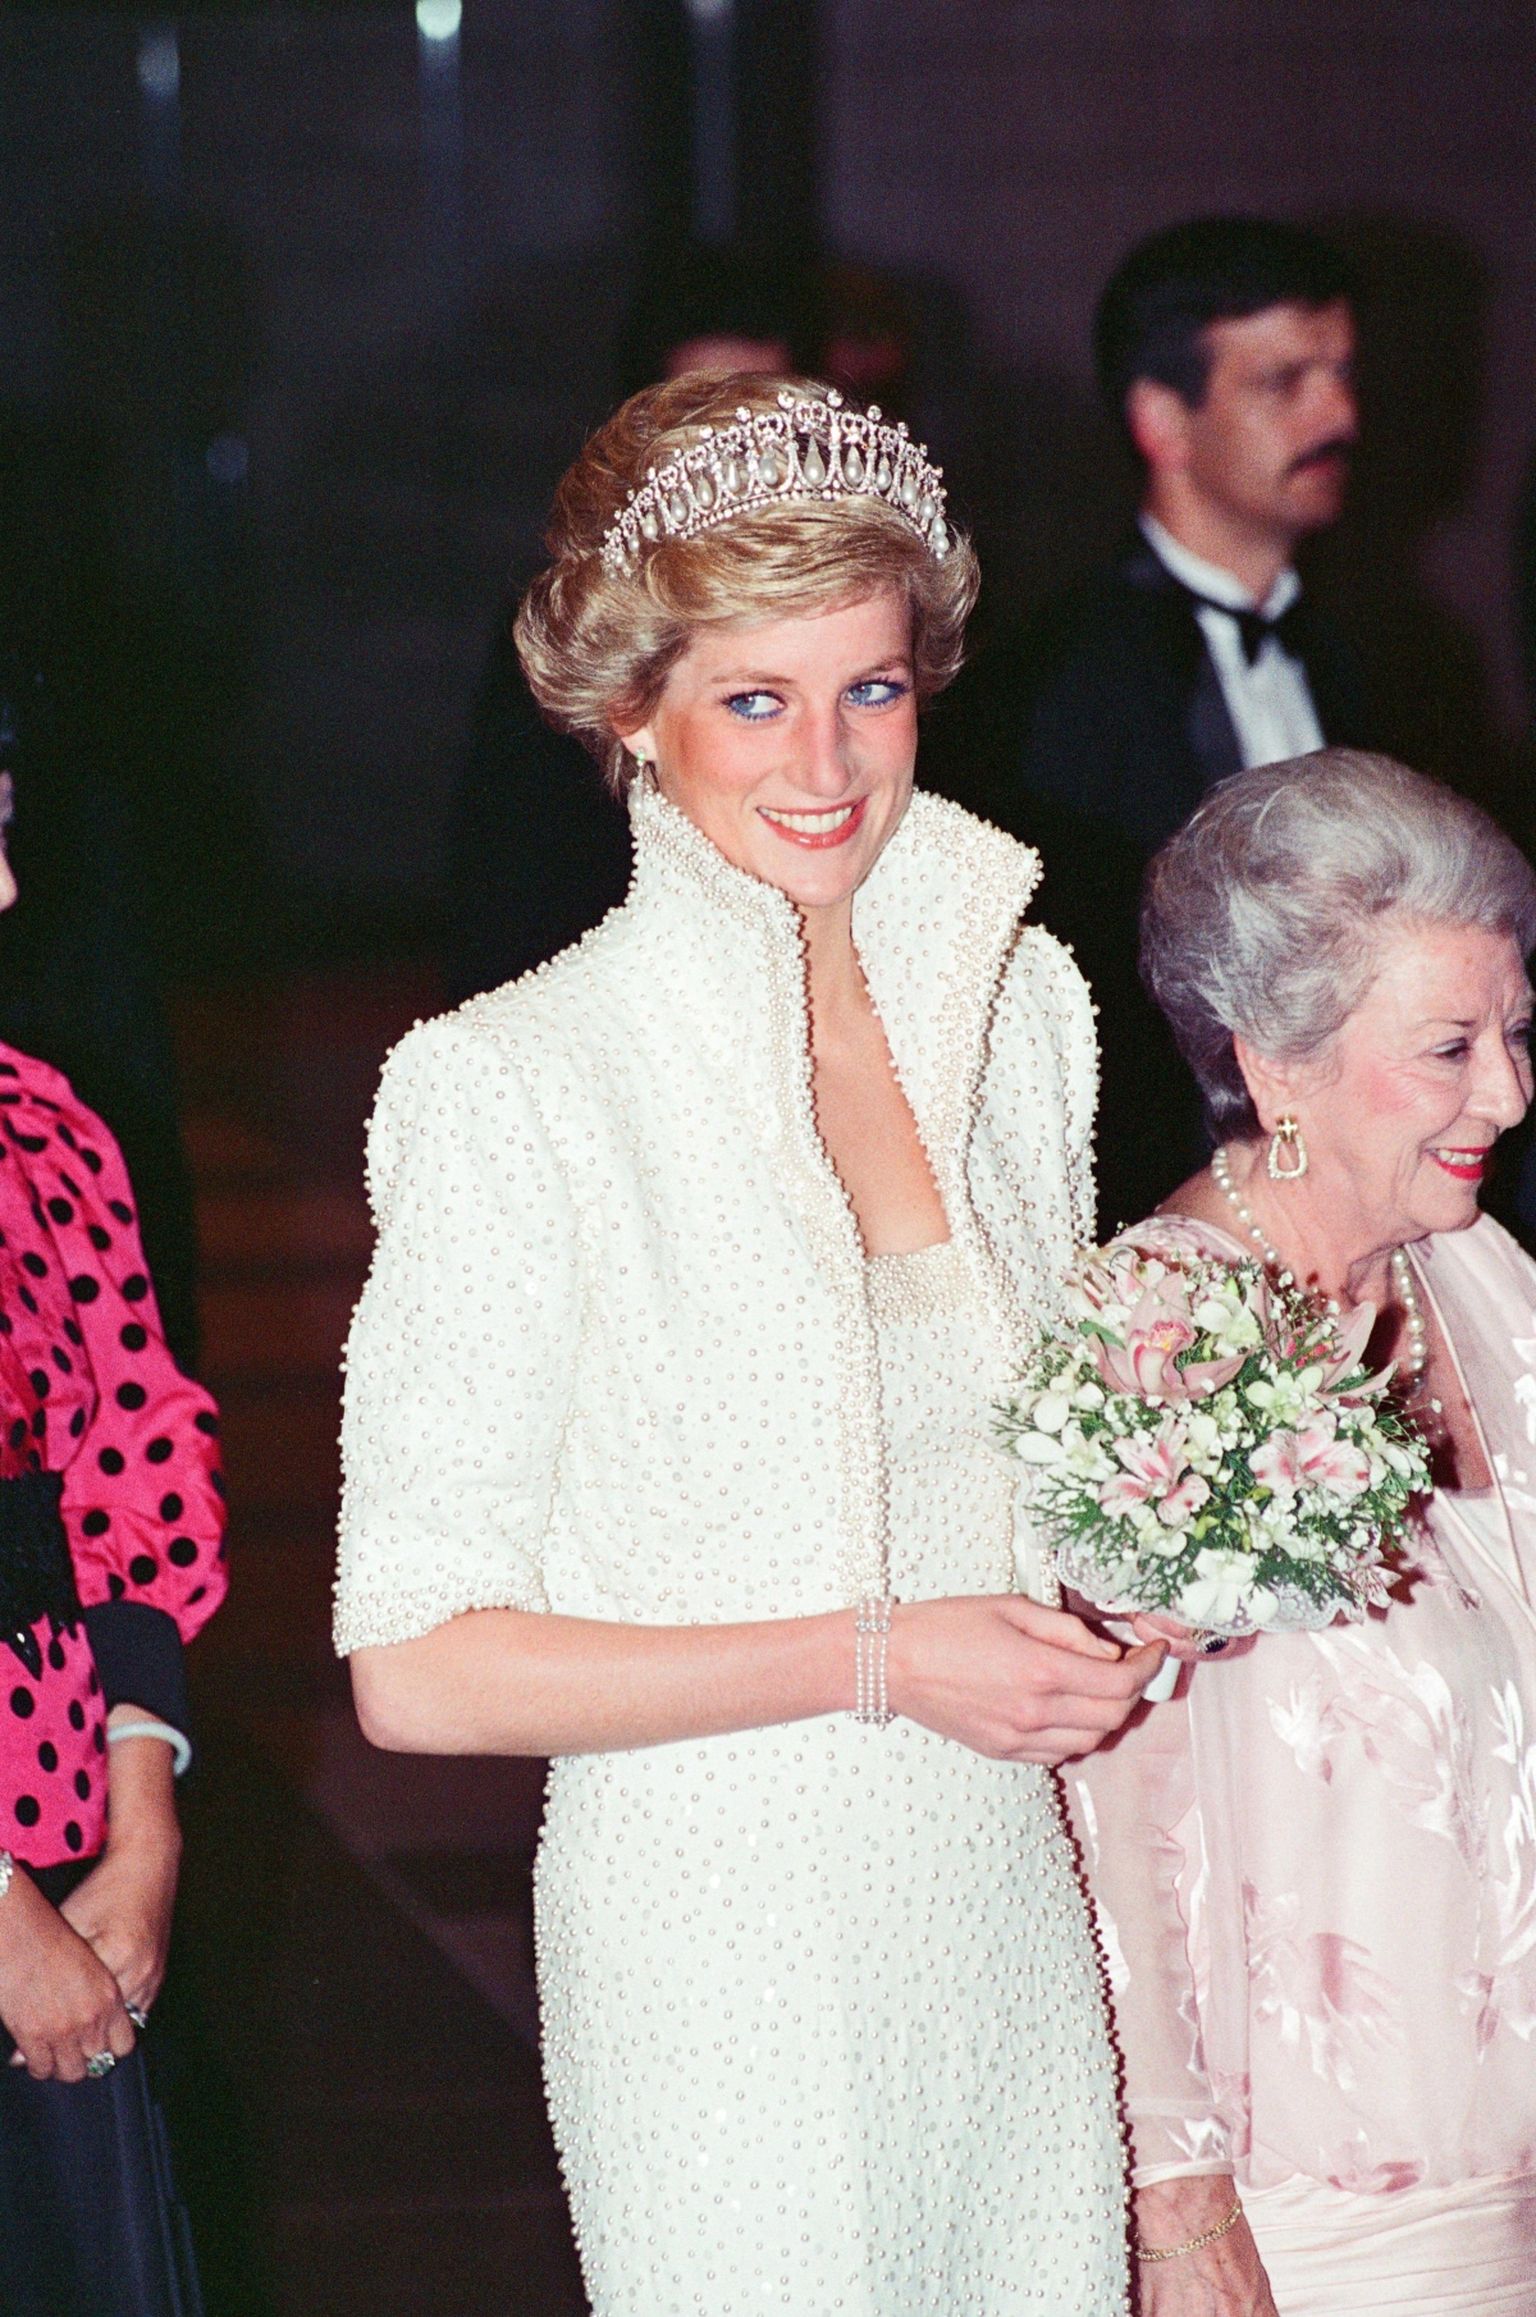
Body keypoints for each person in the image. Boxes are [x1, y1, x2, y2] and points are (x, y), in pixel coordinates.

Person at [337, 372, 1166, 2314]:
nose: (827, 762)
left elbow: (1041, 1478)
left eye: (869, 687)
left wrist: (1150, 1574)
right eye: (754, 699)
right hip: (716, 1946)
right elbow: (418, 1673)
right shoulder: (513, 1084)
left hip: (1004, 1912)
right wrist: (885, 1658)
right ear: (633, 711)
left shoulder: (1027, 1008)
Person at [1067, 750, 1536, 2315]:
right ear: (1275, 1062)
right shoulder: (1161, 1343)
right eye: (1450, 1047)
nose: (1508, 1095)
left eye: (1517, 1033)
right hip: (1332, 2214)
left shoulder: (1483, 1277)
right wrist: (1171, 2190)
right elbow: (1097, 1809)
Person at [989, 217, 1371, 1233]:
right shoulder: (1053, 684)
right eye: (1285, 383)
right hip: (1156, 1213)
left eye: (1342, 373)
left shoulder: (1377, 657)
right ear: (1162, 420)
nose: (1340, 414)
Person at [0, 773, 228, 2314]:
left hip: (71, 1853)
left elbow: (136, 1460)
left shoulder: (39, 1124)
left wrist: (140, 1837)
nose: (10, 890)